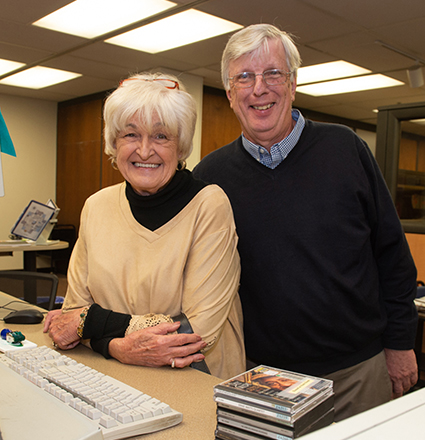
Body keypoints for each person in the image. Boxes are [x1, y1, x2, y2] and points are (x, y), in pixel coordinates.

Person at [193, 24, 418, 420]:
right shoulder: (211, 177)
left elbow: (392, 255)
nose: (259, 88)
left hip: (358, 372)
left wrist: (400, 345)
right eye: (244, 77)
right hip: (263, 379)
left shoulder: (346, 148)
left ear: (293, 84)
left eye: (273, 74)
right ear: (230, 93)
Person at [44, 72, 245, 380]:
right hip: (113, 378)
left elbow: (195, 331)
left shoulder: (209, 204)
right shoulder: (96, 206)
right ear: (113, 143)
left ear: (181, 147)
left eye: (161, 136)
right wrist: (116, 347)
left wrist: (92, 323)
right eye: (131, 134)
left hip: (195, 381)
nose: (145, 150)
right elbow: (72, 314)